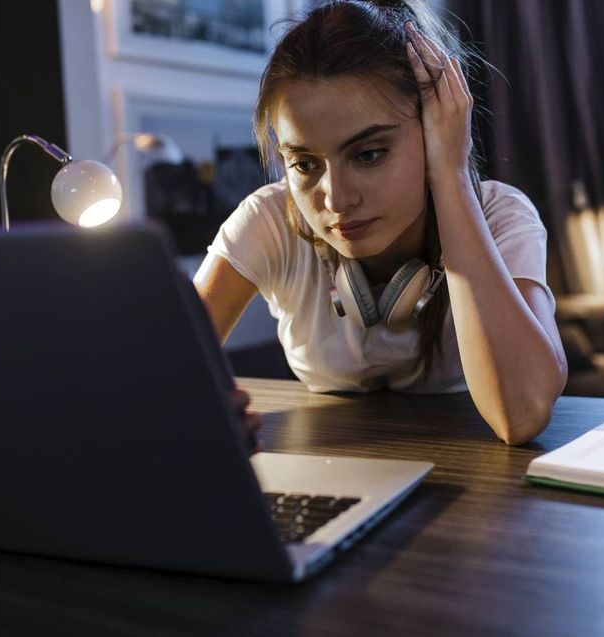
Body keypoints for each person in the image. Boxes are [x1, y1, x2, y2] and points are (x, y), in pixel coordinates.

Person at [194, 0, 568, 445]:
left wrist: (449, 175)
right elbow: (150, 370)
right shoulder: (271, 220)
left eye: (369, 154)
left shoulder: (500, 216)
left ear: (435, 133)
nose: (336, 198)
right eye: (305, 164)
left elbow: (522, 415)